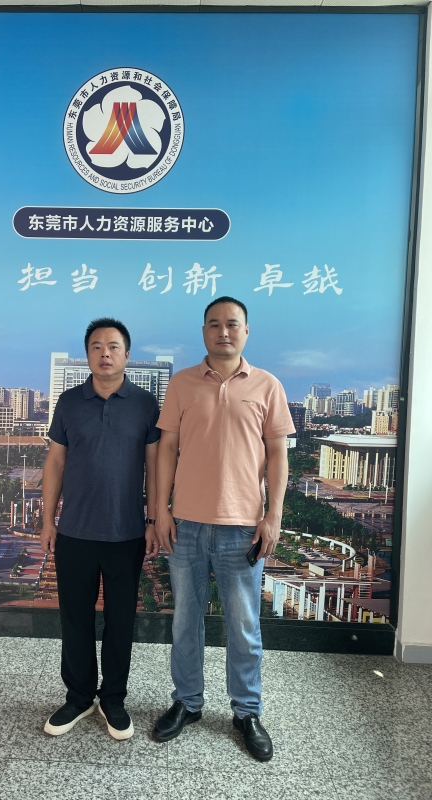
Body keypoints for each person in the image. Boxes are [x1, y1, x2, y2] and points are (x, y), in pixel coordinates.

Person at [151, 296, 295, 762]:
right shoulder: (182, 383)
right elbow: (166, 450)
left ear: (246, 331)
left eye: (232, 324)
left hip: (242, 528)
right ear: (204, 332)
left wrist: (274, 515)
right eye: (214, 324)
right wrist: (161, 510)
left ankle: (247, 712)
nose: (223, 332)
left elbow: (278, 455)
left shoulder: (268, 385)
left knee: (244, 626)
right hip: (187, 525)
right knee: (185, 621)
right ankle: (187, 702)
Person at [41, 317, 160, 741]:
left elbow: (154, 468)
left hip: (127, 533)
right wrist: (47, 520)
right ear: (87, 354)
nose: (104, 353)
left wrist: (152, 520)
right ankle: (78, 697)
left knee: (120, 622)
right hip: (74, 531)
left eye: (113, 346)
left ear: (127, 354)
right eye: (96, 346)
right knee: (75, 620)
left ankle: (113, 699)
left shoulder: (145, 404)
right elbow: (55, 462)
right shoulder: (69, 402)